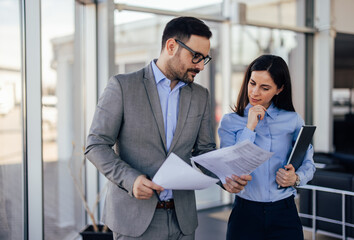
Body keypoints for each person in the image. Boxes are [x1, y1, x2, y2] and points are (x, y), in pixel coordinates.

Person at [85, 16, 251, 240]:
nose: (201, 66)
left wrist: (225, 177)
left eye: (205, 59)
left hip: (183, 221)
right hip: (135, 220)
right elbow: (96, 145)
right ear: (171, 46)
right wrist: (131, 179)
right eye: (196, 57)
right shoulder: (123, 86)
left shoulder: (200, 96)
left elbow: (204, 150)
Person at [218, 54, 316, 240]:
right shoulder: (230, 122)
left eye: (265, 88)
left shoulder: (293, 120)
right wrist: (250, 127)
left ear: (279, 89)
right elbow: (231, 167)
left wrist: (295, 178)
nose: (255, 92)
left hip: (284, 212)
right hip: (245, 214)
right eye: (252, 83)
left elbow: (309, 164)